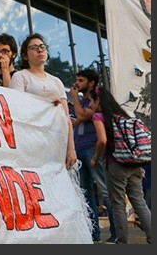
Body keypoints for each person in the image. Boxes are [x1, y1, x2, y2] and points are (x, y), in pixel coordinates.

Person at [91, 87, 151, 244]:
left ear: (98, 101)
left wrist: (95, 158)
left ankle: (122, 241)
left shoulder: (99, 116)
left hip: (116, 164)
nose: (90, 105)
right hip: (135, 164)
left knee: (117, 203)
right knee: (139, 201)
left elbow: (102, 140)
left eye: (91, 101)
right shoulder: (123, 116)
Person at [9, 33, 76, 169]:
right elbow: (16, 110)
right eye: (33, 47)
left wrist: (71, 149)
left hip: (57, 143)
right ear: (25, 55)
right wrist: (44, 102)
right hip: (31, 143)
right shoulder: (20, 76)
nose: (39, 50)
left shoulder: (56, 81)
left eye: (42, 47)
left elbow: (66, 119)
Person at [69, 68, 114, 242]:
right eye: (77, 80)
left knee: (104, 189)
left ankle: (117, 233)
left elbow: (81, 115)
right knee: (86, 192)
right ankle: (93, 232)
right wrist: (79, 116)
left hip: (92, 148)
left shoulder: (94, 100)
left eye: (81, 80)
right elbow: (73, 120)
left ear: (91, 82)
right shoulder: (81, 101)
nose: (77, 84)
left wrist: (74, 100)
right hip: (78, 149)